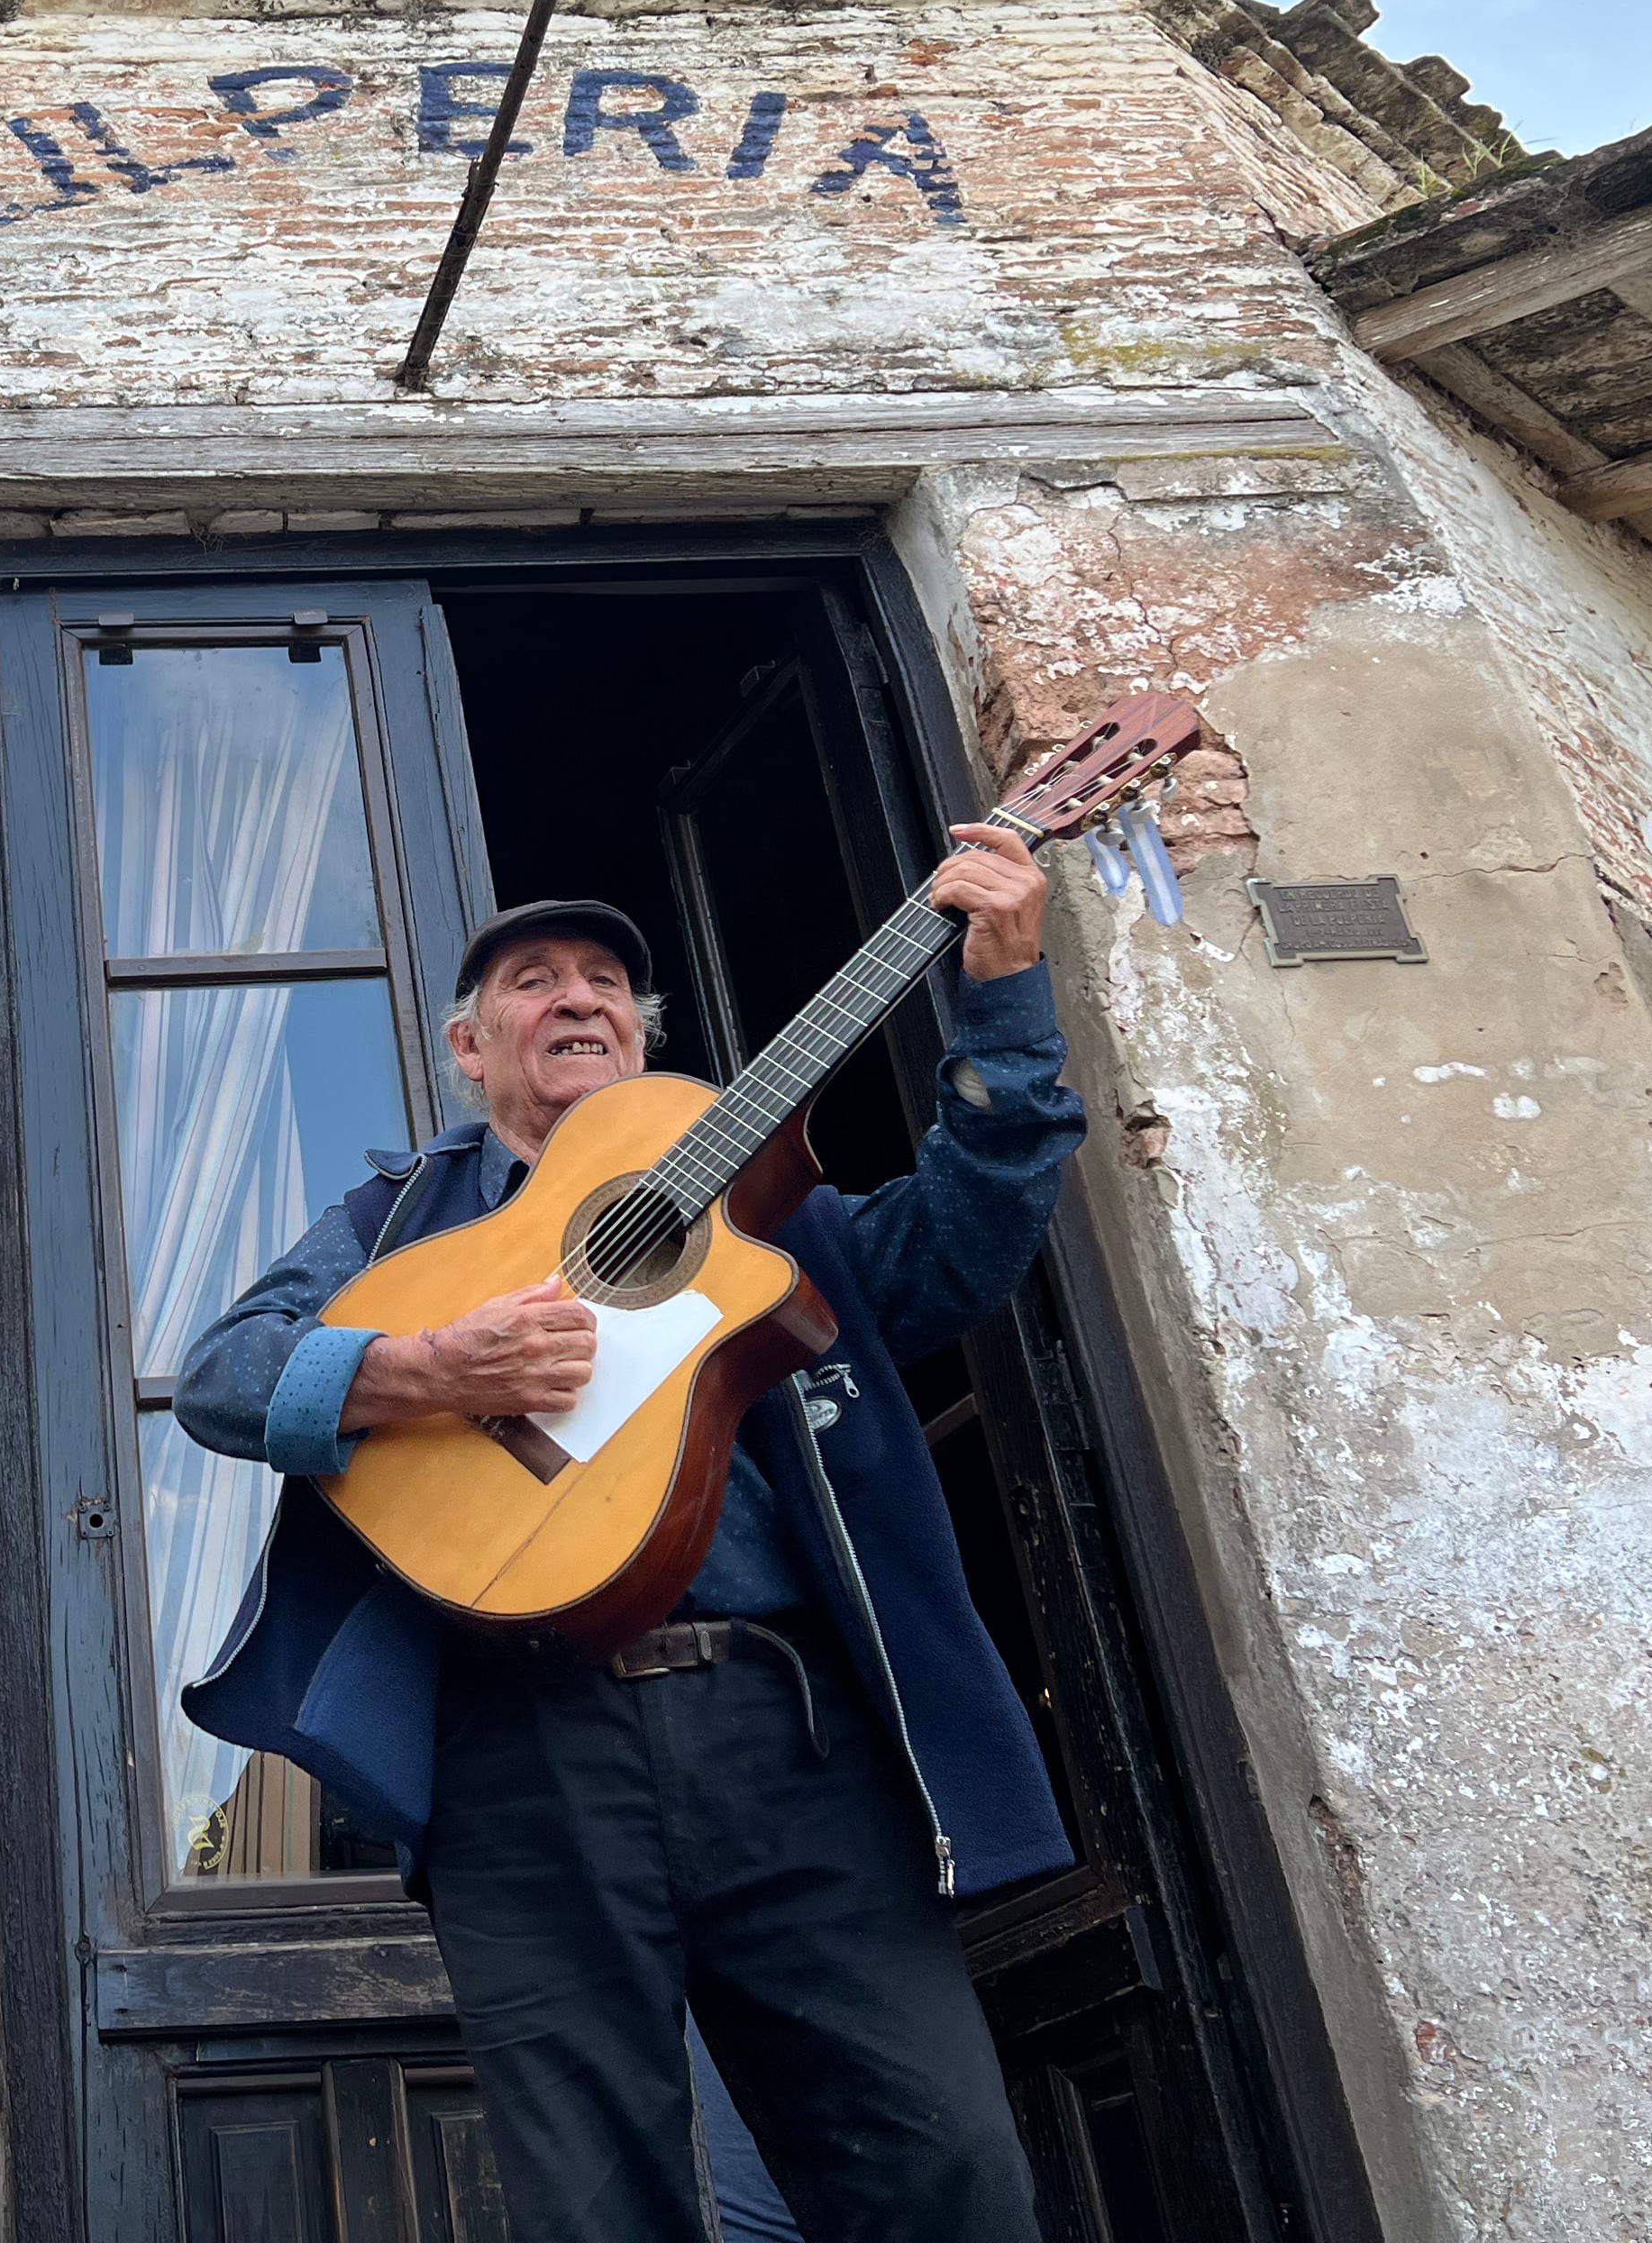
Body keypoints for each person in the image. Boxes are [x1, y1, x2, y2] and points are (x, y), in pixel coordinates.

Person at [174, 826, 1082, 2242]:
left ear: (640, 1040)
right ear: (471, 1050)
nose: (579, 997)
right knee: (595, 2205)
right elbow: (224, 1375)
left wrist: (1006, 1001)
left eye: (605, 980)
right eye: (533, 981)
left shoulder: (783, 1235)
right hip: (518, 1752)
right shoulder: (396, 1222)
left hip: (790, 1736)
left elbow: (971, 1240)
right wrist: (424, 1370)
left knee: (945, 2166)